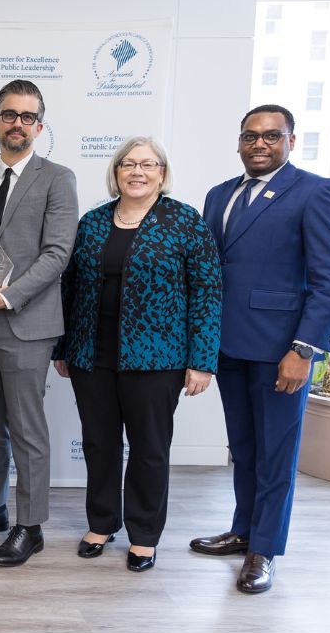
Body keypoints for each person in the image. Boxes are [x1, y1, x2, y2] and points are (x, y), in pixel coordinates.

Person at [192, 104, 330, 594]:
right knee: (244, 448)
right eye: (250, 136)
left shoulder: (316, 192)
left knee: (277, 453)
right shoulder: (219, 194)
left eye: (271, 136)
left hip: (282, 350)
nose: (259, 144)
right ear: (239, 142)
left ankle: (265, 548)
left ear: (291, 142)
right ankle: (242, 530)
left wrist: (304, 349)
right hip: (228, 345)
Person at [53, 136, 221, 572]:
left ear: (162, 173)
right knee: (99, 444)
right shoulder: (92, 222)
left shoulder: (184, 221)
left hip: (157, 359)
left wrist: (202, 360)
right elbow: (68, 290)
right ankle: (103, 522)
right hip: (93, 355)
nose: (137, 172)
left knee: (149, 448)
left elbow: (207, 292)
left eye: (148, 164)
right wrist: (63, 346)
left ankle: (144, 534)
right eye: (128, 164)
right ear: (116, 173)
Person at [0, 79, 78, 567]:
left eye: (27, 117)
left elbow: (58, 253)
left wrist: (8, 295)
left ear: (40, 126)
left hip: (26, 321)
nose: (17, 124)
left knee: (27, 428)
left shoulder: (58, 178)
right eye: (9, 114)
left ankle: (30, 525)